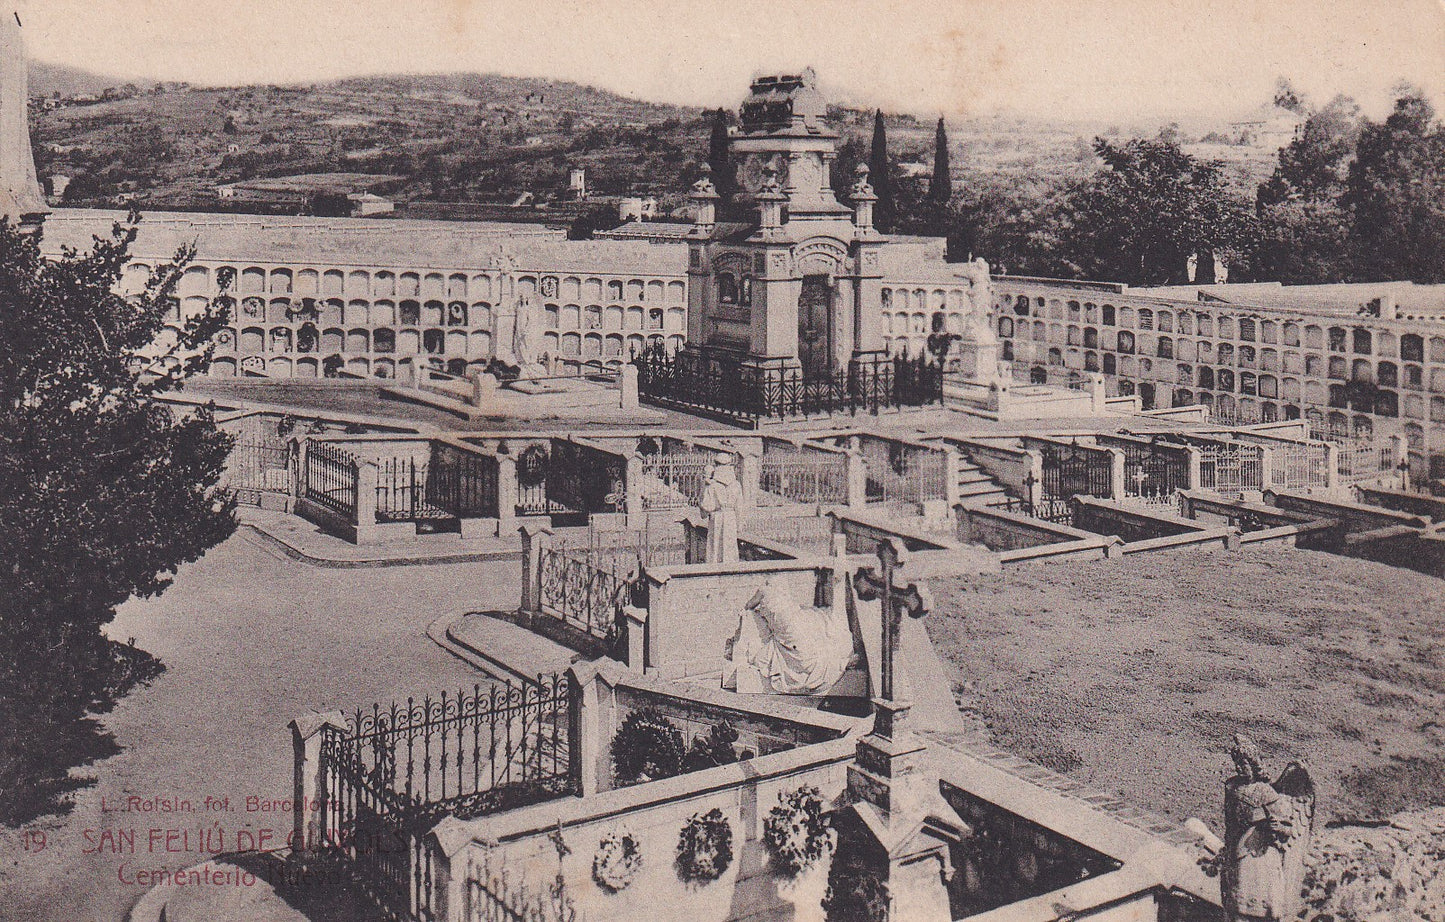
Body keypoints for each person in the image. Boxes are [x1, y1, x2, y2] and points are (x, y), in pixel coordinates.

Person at [699, 453, 742, 563]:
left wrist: (703, 489)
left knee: (716, 545)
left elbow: (706, 506)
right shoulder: (736, 485)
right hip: (731, 517)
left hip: (717, 516)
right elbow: (739, 507)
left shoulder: (712, 486)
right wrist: (739, 524)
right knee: (729, 545)